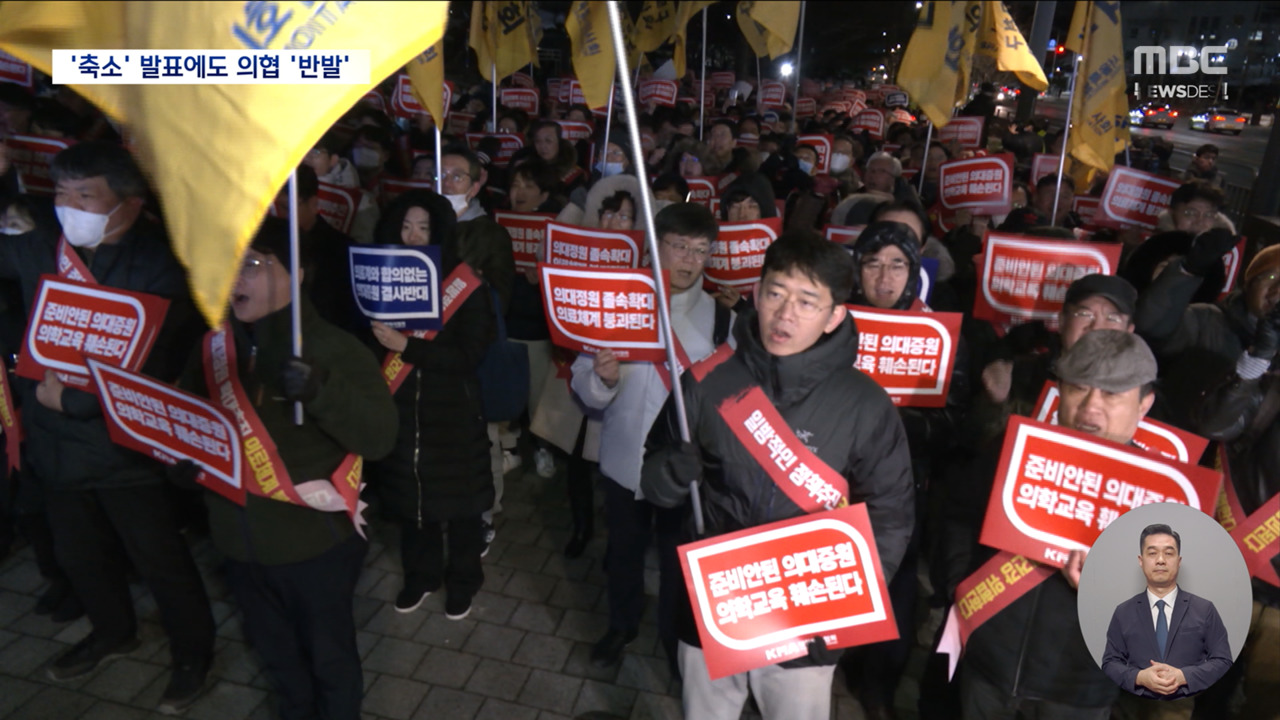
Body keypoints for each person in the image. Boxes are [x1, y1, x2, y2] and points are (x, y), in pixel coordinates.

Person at [641, 232, 914, 720]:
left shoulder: (866, 405)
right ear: (757, 293)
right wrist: (668, 476)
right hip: (715, 602)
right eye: (775, 293)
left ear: (834, 316)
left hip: (805, 616)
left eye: (807, 302)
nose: (784, 314)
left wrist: (842, 608)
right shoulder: (707, 381)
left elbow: (891, 517)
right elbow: (655, 472)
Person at [0, 142, 216, 713]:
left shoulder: (161, 266)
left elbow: (160, 362)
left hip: (125, 451)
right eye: (62, 193)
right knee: (82, 556)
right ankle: (113, 631)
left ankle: (194, 653)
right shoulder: (41, 244)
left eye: (85, 195)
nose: (70, 206)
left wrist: (77, 403)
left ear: (129, 204)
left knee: (159, 562)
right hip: (54, 448)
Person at [179, 218, 396, 720]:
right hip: (236, 543)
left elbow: (379, 438)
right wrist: (184, 465)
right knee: (278, 659)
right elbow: (189, 420)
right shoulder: (213, 347)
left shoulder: (336, 348)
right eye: (230, 265)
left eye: (253, 265)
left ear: (296, 273)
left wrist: (321, 391)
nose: (236, 279)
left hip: (314, 546)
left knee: (329, 660)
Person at [941, 330, 1166, 720]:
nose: (1090, 408)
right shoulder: (1013, 452)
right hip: (988, 667)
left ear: (1144, 403)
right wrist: (956, 583)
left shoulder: (1166, 496)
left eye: (1111, 394)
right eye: (1079, 388)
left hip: (1078, 689)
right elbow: (958, 517)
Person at [571, 203, 732, 670]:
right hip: (625, 461)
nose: (688, 259)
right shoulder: (616, 303)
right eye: (679, 246)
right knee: (622, 553)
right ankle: (620, 624)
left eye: (700, 250)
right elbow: (584, 386)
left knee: (679, 563)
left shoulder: (724, 324)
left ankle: (673, 640)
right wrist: (601, 379)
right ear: (653, 245)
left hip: (688, 470)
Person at [368, 192, 496, 620]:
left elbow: (468, 357)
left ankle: (464, 580)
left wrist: (408, 348)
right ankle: (419, 576)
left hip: (453, 413)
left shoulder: (466, 285)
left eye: (423, 228)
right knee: (411, 501)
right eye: (406, 226)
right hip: (401, 410)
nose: (413, 236)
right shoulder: (381, 279)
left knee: (460, 508)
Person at [1195, 303, 1280, 720]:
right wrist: (1257, 360)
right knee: (1170, 698)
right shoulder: (1267, 390)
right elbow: (1214, 423)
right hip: (1224, 583)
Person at [973, 273, 1139, 445]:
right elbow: (976, 445)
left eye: (1112, 318)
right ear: (1061, 321)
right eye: (1084, 314)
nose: (1096, 327)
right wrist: (994, 403)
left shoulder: (1141, 395)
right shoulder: (1021, 375)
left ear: (1129, 332)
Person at [1133, 232, 1274, 428]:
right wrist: (1188, 270)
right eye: (1271, 277)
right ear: (1249, 284)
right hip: (1184, 446)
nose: (1277, 290)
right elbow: (1149, 329)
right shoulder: (1206, 320)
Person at [1102, 524, 1233, 700]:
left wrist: (1184, 676)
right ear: (1141, 561)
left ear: (1178, 561)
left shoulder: (1204, 609)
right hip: (1136, 707)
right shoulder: (1123, 611)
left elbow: (1223, 661)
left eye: (1168, 553)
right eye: (1152, 553)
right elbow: (1110, 663)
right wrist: (1139, 677)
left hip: (1189, 704)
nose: (1161, 560)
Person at [440, 146, 489, 221]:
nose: (446, 183)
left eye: (457, 177)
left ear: (474, 189)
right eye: (441, 175)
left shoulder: (486, 230)